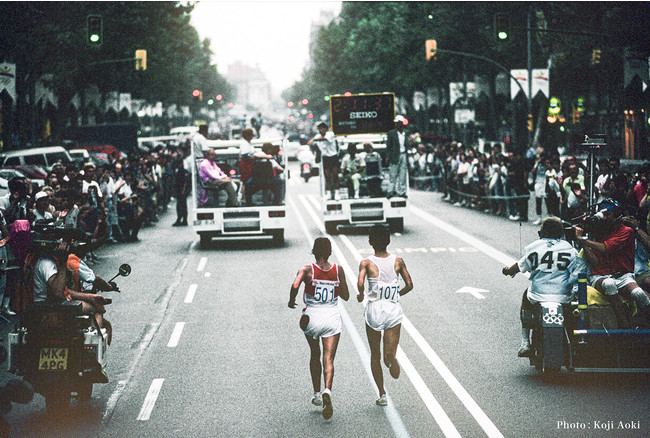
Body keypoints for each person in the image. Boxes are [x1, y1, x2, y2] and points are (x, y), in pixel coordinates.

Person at [288, 237, 349, 420]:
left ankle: (316, 394)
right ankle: (327, 390)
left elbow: (295, 285)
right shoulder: (338, 270)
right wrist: (333, 287)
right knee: (328, 358)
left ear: (314, 251)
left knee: (315, 354)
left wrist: (292, 300)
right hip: (331, 316)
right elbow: (345, 296)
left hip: (312, 317)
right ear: (330, 252)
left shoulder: (307, 270)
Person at [502, 217, 579, 357]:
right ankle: (574, 341)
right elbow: (576, 273)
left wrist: (507, 270)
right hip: (563, 295)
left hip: (538, 294)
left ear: (540, 233)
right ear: (561, 233)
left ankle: (525, 342)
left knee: (525, 298)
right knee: (573, 312)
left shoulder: (533, 248)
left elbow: (519, 266)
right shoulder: (571, 250)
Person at [357, 225, 413, 406]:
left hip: (374, 309)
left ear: (370, 241)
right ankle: (391, 359)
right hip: (392, 309)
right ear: (388, 241)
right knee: (388, 352)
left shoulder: (366, 262)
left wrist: (360, 294)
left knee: (374, 354)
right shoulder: (398, 261)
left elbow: (359, 283)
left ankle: (382, 394)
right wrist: (396, 295)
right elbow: (410, 284)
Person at [574, 199, 645, 329]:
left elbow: (606, 248)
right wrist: (584, 243)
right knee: (609, 284)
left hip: (623, 276)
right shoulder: (597, 233)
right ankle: (624, 324)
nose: (605, 218)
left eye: (608, 214)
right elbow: (595, 262)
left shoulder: (626, 231)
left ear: (616, 214)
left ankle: (644, 322)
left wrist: (584, 240)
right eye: (603, 215)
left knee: (638, 294)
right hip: (601, 276)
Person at [308, 122, 340, 200]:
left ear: (326, 129)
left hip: (333, 156)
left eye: (321, 129)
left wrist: (313, 140)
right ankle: (328, 193)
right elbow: (314, 145)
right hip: (325, 158)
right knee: (327, 176)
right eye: (319, 129)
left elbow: (323, 139)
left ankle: (337, 193)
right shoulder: (317, 136)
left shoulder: (330, 134)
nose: (320, 130)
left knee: (335, 175)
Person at [386, 116, 408, 198]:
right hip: (395, 155)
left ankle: (402, 191)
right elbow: (388, 146)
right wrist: (388, 156)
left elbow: (406, 144)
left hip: (403, 154)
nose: (395, 124)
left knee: (403, 174)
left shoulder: (405, 133)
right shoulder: (391, 133)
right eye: (395, 123)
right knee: (393, 174)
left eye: (397, 122)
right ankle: (391, 191)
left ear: (401, 123)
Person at [172, 157, 189, 226]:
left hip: (182, 191)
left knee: (181, 206)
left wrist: (183, 191)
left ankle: (182, 220)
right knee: (181, 205)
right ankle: (181, 219)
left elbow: (185, 182)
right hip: (179, 191)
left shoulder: (183, 171)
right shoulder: (179, 171)